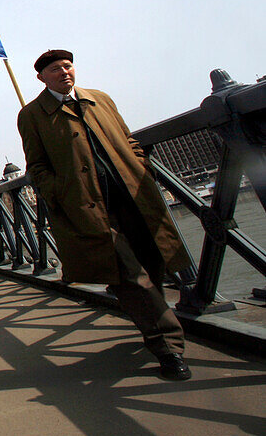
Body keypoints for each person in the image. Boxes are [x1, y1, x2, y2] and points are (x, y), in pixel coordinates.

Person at [17, 49, 193, 381]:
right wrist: (59, 192)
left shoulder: (100, 99)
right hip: (90, 208)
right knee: (130, 274)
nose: (64, 72)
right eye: (55, 70)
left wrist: (139, 165)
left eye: (68, 66)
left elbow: (128, 139)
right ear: (41, 78)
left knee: (152, 264)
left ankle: (153, 324)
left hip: (133, 196)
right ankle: (169, 348)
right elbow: (36, 166)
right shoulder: (32, 115)